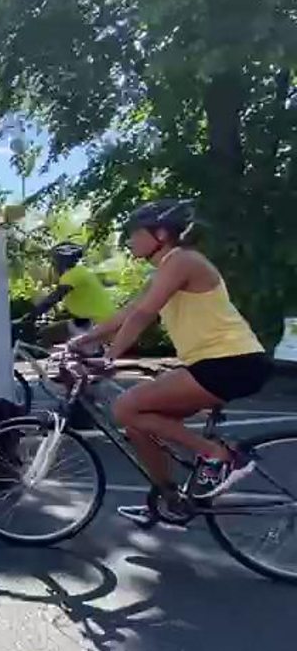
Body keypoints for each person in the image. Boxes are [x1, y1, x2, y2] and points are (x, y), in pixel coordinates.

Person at [69, 199, 271, 524]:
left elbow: (143, 314)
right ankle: (167, 499)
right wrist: (81, 341)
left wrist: (109, 357)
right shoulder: (165, 271)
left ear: (161, 234)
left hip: (232, 361)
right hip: (212, 363)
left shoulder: (183, 261)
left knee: (126, 407)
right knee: (137, 424)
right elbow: (127, 312)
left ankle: (218, 454)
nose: (129, 240)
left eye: (135, 233)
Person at [21, 242, 116, 354]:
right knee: (60, 334)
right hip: (98, 321)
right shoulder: (80, 272)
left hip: (95, 323)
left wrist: (30, 316)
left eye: (54, 261)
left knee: (47, 333)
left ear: (61, 262)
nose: (54, 265)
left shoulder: (72, 275)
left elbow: (53, 298)